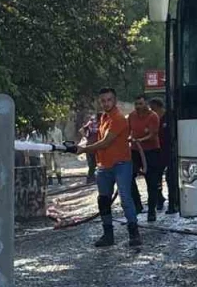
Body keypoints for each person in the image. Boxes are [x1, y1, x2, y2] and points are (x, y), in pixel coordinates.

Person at [75, 88, 141, 248]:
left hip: (121, 164)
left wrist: (84, 149)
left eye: (109, 100)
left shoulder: (119, 119)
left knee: (125, 199)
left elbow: (105, 142)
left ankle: (134, 233)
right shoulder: (103, 118)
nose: (106, 103)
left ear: (115, 100)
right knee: (103, 200)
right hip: (103, 165)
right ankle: (108, 235)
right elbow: (96, 138)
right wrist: (84, 143)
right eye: (103, 100)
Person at [128, 95, 163, 223]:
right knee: (128, 176)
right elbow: (127, 131)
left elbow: (153, 134)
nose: (138, 107)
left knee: (151, 182)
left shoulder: (153, 116)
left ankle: (151, 211)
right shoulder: (131, 116)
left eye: (140, 104)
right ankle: (137, 204)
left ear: (146, 104)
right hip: (135, 151)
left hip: (151, 151)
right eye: (136, 104)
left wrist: (139, 140)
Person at [150, 98, 179, 215]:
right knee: (155, 178)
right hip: (158, 152)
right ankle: (159, 199)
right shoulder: (153, 119)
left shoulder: (170, 117)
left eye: (153, 109)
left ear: (159, 107)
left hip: (170, 152)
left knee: (170, 178)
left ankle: (173, 202)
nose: (152, 111)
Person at [80, 111, 100, 184]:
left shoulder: (92, 124)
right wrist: (86, 137)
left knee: (93, 164)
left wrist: (86, 137)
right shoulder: (96, 124)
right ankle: (90, 179)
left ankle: (92, 178)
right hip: (93, 147)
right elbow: (81, 130)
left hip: (93, 146)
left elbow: (81, 130)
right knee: (93, 164)